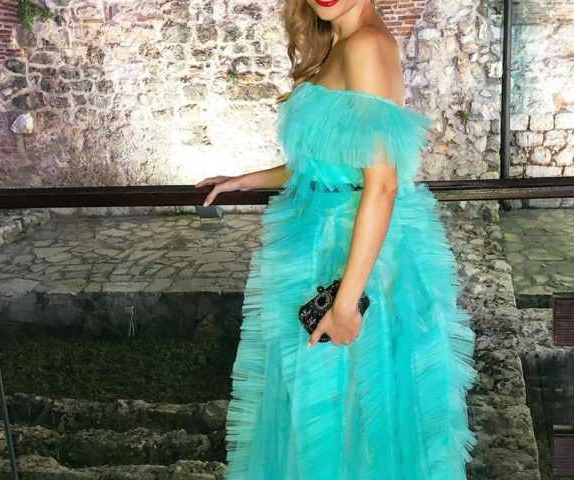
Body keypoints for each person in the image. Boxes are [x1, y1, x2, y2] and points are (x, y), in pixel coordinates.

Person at [195, 0, 478, 478]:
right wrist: (247, 180)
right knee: (323, 411)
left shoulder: (366, 44)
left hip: (353, 258)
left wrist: (346, 303)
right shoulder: (338, 43)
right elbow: (328, 159)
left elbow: (382, 183)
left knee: (350, 418)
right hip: (323, 247)